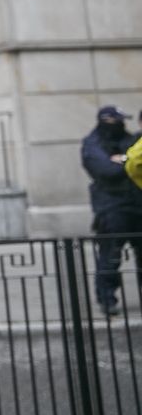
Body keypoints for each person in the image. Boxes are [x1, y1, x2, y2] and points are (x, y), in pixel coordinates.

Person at [81, 105, 142, 316]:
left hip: (137, 205)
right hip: (112, 209)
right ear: (106, 120)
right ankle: (107, 299)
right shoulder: (93, 144)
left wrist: (123, 160)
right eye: (117, 120)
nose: (121, 125)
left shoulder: (130, 140)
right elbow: (106, 171)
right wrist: (129, 163)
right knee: (111, 257)